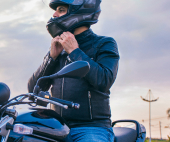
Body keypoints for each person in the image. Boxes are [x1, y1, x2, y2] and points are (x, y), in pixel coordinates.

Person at [27, 0, 119, 141]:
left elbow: (104, 80)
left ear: (80, 11)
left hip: (91, 128)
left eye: (61, 9)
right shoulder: (58, 50)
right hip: (57, 126)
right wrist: (51, 58)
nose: (54, 14)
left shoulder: (104, 43)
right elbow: (33, 89)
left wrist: (75, 52)